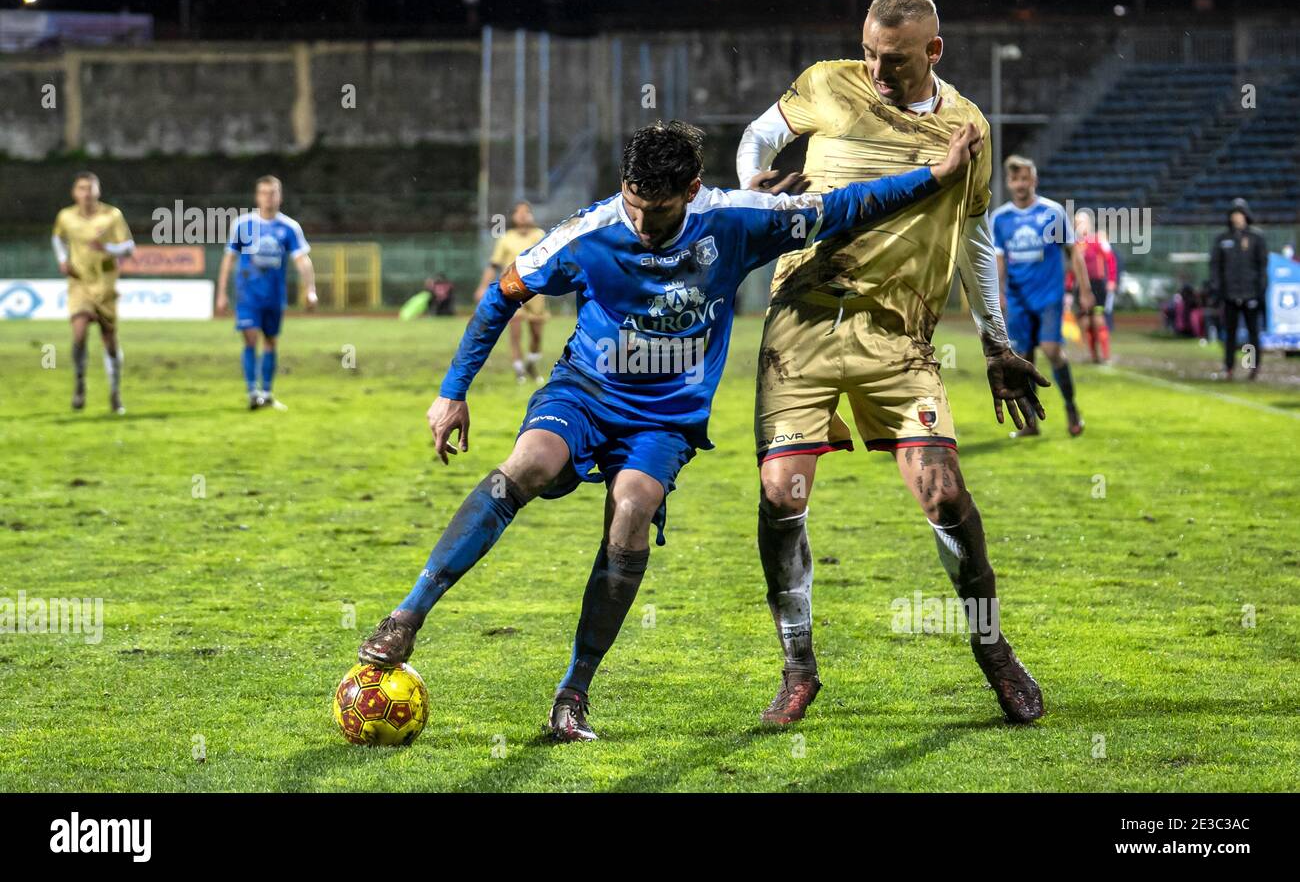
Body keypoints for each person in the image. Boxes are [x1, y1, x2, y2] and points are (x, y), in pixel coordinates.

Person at [357, 119, 981, 742]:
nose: (644, 225)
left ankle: (573, 695)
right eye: (635, 204)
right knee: (527, 467)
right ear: (624, 185)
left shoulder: (736, 220)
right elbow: (502, 295)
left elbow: (845, 205)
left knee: (630, 508)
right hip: (586, 392)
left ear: (692, 190)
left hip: (664, 418)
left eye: (658, 213)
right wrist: (451, 394)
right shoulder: (589, 233)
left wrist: (939, 174)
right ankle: (406, 616)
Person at [735, 0, 1048, 727]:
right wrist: (752, 187)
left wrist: (997, 338)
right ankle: (797, 667)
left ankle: (993, 648)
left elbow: (973, 238)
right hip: (801, 324)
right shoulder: (826, 82)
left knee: (942, 494)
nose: (876, 70)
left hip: (900, 336)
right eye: (870, 52)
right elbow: (756, 137)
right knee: (783, 495)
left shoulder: (969, 126)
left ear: (933, 51)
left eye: (895, 59)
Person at [993, 155, 1089, 437]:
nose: (1021, 184)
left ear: (1034, 180)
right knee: (1023, 358)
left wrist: (1085, 290)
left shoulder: (1052, 212)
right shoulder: (1000, 218)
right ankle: (1031, 422)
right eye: (1015, 179)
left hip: (1048, 295)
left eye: (1026, 178)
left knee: (1050, 350)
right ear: (1009, 183)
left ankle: (1071, 407)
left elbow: (1073, 252)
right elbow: (999, 260)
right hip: (1018, 298)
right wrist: (998, 292)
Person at [215, 176, 318, 409]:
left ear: (279, 196)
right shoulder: (242, 225)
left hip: (273, 295)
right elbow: (228, 259)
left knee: (270, 341)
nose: (268, 197)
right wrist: (221, 293)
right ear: (257, 196)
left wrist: (310, 290)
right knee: (250, 337)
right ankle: (253, 392)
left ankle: (267, 393)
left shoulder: (289, 228)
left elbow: (302, 260)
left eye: (272, 193)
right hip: (247, 295)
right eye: (263, 193)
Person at [51, 172, 136, 414]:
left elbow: (129, 248)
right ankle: (79, 384)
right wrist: (62, 259)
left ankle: (115, 392)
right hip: (79, 283)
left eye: (91, 188)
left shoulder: (112, 216)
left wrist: (107, 247)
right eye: (82, 188)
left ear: (98, 191)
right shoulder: (65, 216)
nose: (86, 193)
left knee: (109, 340)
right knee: (78, 332)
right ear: (74, 192)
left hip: (105, 285)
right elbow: (57, 238)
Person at [475, 201, 549, 384]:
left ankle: (531, 363)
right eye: (519, 212)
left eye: (527, 212)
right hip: (513, 289)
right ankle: (519, 371)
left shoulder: (539, 235)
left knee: (536, 334)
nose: (523, 215)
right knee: (515, 332)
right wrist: (483, 286)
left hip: (536, 291)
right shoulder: (506, 238)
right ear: (514, 217)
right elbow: (494, 264)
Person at [1209, 198, 1269, 381]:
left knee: (1252, 334)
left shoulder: (1256, 238)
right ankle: (1229, 367)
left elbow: (1262, 267)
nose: (1237, 218)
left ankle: (1252, 367)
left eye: (1240, 214)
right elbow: (1215, 267)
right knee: (1230, 333)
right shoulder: (1222, 240)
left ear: (1246, 216)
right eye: (1234, 214)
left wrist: (1260, 291)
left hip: (1251, 294)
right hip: (1229, 295)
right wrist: (1217, 289)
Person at [1069, 210, 1117, 363]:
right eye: (1077, 223)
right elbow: (1072, 269)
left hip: (1097, 284)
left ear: (1089, 224)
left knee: (1098, 320)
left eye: (1083, 222)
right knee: (1085, 322)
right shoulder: (1074, 245)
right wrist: (1068, 288)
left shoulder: (1098, 240)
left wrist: (1111, 280)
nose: (1080, 226)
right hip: (1080, 286)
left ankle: (1105, 354)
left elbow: (1110, 260)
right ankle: (1094, 355)